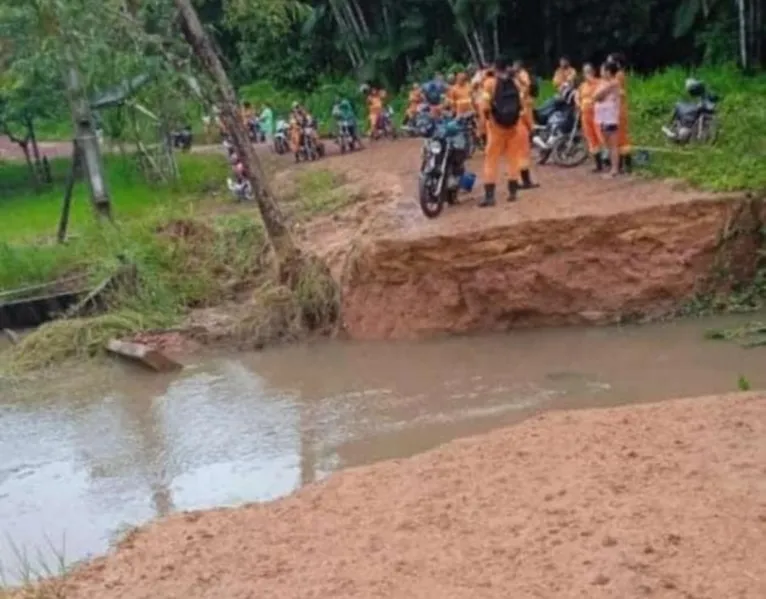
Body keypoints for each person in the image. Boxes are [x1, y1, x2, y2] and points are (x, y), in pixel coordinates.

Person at [479, 57, 524, 207]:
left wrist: (486, 121)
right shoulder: (515, 82)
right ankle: (513, 192)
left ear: (495, 67)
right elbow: (521, 103)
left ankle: (490, 196)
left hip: (496, 127)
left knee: (491, 159)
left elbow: (485, 106)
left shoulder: (490, 83)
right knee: (513, 158)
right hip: (513, 126)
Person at [511, 59, 539, 189]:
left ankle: (515, 181)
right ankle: (525, 181)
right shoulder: (519, 94)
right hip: (518, 124)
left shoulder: (503, 87)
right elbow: (523, 111)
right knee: (522, 152)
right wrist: (531, 126)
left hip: (507, 125)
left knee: (514, 153)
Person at [594, 62, 621, 178]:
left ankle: (614, 169)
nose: (601, 72)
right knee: (608, 143)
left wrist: (600, 94)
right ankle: (612, 168)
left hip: (610, 116)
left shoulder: (613, 83)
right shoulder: (604, 83)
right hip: (604, 116)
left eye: (602, 70)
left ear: (608, 72)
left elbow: (597, 96)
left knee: (612, 144)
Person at [606, 53, 632, 173]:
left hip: (620, 109)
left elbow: (621, 92)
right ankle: (621, 164)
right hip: (616, 108)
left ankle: (626, 164)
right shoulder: (616, 76)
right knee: (618, 136)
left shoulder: (619, 76)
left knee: (621, 136)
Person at [576, 63, 605, 172]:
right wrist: (578, 103)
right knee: (591, 138)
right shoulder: (582, 86)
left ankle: (609, 160)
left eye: (589, 71)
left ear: (593, 72)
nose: (587, 74)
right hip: (585, 115)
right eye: (585, 72)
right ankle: (598, 164)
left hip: (597, 114)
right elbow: (577, 96)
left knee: (601, 136)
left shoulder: (599, 83)